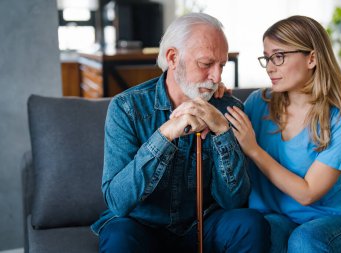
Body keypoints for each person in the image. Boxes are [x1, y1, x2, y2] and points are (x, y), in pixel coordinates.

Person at [91, 13, 270, 253]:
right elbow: (117, 202)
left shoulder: (229, 109)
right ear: (173, 58)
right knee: (119, 236)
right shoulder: (127, 108)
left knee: (250, 224)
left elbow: (233, 201)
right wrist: (164, 135)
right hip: (141, 225)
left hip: (203, 224)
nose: (217, 78)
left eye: (222, 66)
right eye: (206, 64)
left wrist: (223, 133)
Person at [225, 15, 341, 253]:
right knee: (256, 231)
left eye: (279, 56)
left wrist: (255, 151)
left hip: (331, 221)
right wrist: (217, 97)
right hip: (276, 216)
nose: (270, 66)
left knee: (303, 241)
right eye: (267, 57)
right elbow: (224, 142)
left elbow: (308, 194)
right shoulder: (257, 104)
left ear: (311, 58)